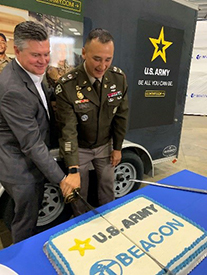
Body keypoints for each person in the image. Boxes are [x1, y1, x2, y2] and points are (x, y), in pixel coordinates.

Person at [0, 21, 79, 243]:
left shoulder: (31, 71)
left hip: (31, 160)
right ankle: (19, 262)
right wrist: (62, 180)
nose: (44, 61)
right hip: (20, 169)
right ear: (17, 50)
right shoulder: (12, 90)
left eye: (46, 54)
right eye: (37, 55)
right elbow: (31, 144)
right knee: (25, 223)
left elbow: (43, 102)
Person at [55, 28, 129, 216]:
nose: (102, 66)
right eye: (97, 58)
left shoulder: (118, 79)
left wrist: (118, 147)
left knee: (107, 186)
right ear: (84, 53)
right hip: (79, 148)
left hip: (105, 144)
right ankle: (81, 222)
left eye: (108, 59)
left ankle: (109, 218)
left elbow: (121, 116)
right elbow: (68, 129)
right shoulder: (68, 85)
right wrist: (72, 167)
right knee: (80, 192)